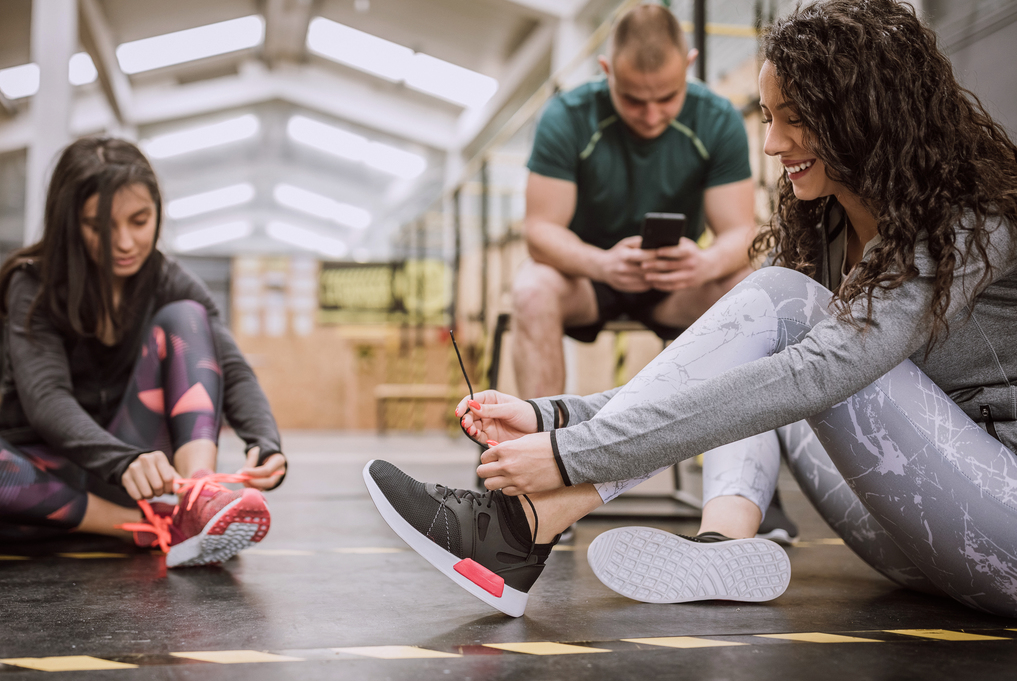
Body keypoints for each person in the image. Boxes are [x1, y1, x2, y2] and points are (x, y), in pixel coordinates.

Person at [364, 0, 1017, 619]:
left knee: (783, 320)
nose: (770, 143)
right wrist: (550, 414)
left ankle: (518, 525)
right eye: (766, 116)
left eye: (793, 117)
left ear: (865, 114)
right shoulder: (827, 230)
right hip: (914, 541)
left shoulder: (968, 222)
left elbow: (816, 375)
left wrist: (571, 454)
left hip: (1001, 525)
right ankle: (720, 542)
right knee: (767, 357)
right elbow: (746, 379)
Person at [0, 137, 286, 567]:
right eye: (100, 226)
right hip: (40, 484)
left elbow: (232, 368)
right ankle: (144, 527)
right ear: (68, 223)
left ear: (157, 212)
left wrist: (265, 440)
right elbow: (47, 399)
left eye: (139, 220)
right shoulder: (32, 286)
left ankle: (197, 495)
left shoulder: (169, 279)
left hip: (133, 473)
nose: (125, 242)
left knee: (188, 318)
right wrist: (123, 461)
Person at [512, 3, 756, 399]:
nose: (652, 115)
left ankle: (733, 459)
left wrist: (706, 262)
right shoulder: (566, 117)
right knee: (531, 290)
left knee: (751, 290)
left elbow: (742, 231)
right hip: (588, 280)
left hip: (674, 284)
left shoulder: (718, 119)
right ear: (606, 70)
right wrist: (602, 264)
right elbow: (539, 232)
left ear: (689, 65)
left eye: (666, 97)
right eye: (633, 99)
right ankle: (541, 450)